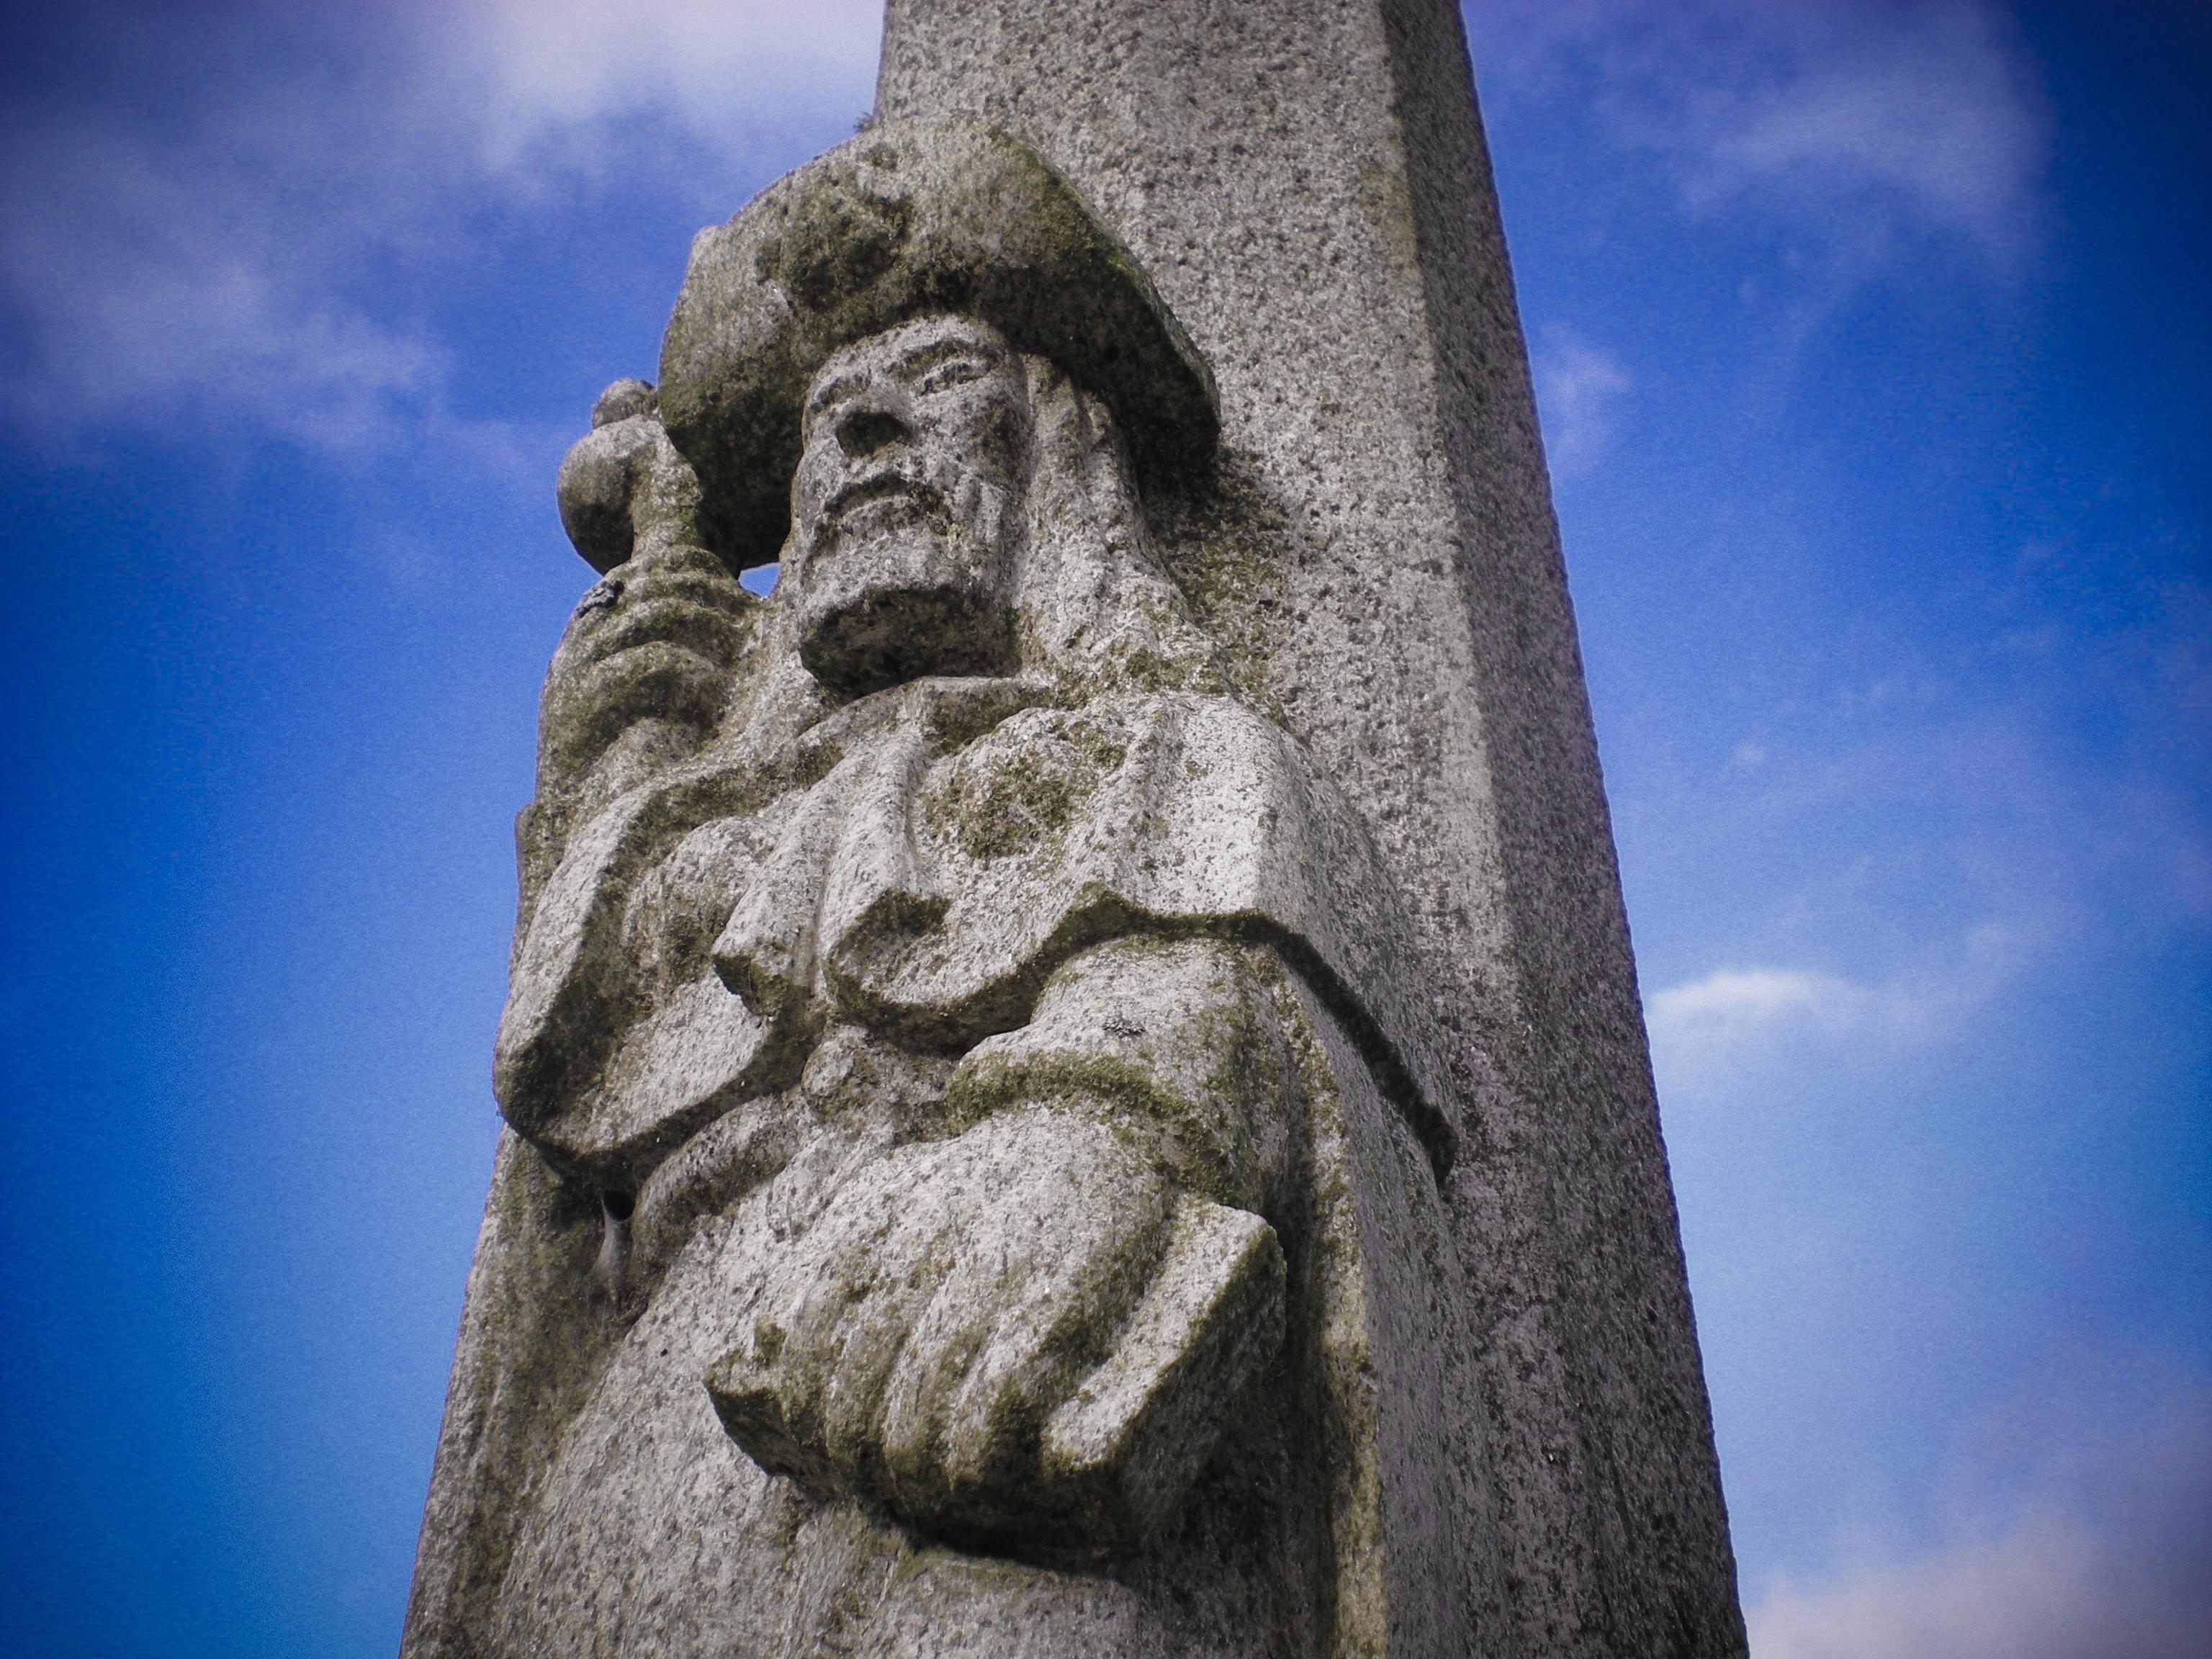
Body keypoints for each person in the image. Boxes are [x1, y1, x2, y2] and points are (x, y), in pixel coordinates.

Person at [408, 121, 1500, 1659]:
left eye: (936, 393)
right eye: (831, 421)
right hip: (639, 1498)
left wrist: (1100, 1131)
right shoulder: (698, 844)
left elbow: (1224, 983)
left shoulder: (1165, 753)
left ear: (1051, 462)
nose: (861, 446)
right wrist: (606, 779)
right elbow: (560, 1183)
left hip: (986, 1446)